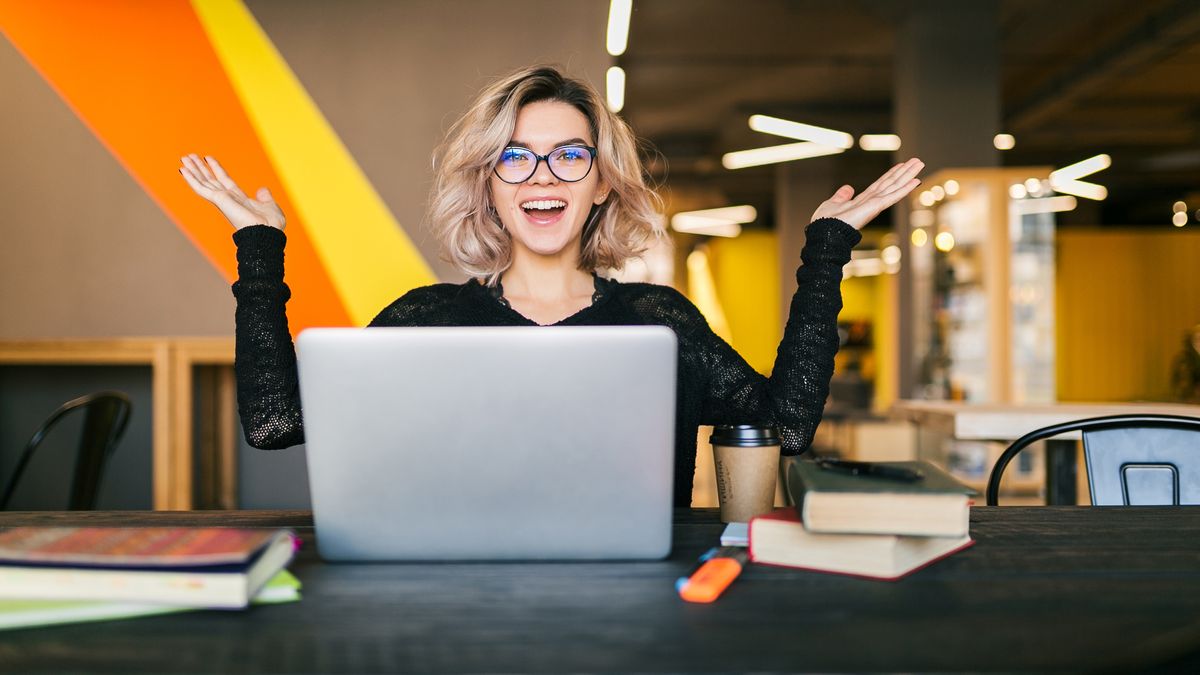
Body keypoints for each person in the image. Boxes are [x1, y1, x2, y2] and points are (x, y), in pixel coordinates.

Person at [179, 65, 923, 506]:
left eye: (569, 155)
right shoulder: (426, 320)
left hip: (638, 611)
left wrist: (827, 251)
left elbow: (786, 426)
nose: (541, 176)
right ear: (490, 186)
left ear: (601, 182)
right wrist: (259, 249)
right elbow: (276, 424)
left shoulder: (657, 322)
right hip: (461, 610)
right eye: (516, 158)